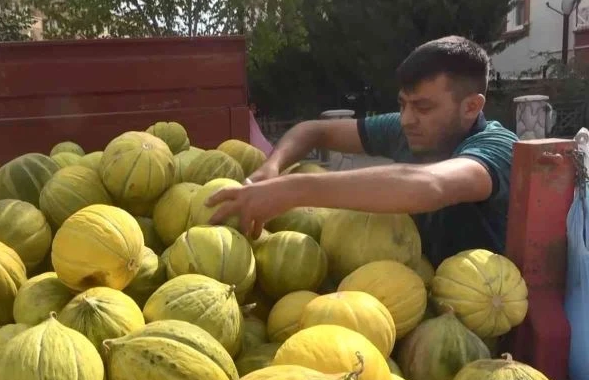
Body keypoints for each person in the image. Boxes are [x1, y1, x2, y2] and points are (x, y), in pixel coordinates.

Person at [206, 35, 518, 267]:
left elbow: (429, 184)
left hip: (475, 315)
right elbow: (314, 130)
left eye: (423, 106)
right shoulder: (406, 127)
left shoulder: (497, 148)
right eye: (402, 104)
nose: (407, 119)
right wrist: (274, 166)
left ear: (471, 107)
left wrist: (293, 190)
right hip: (406, 285)